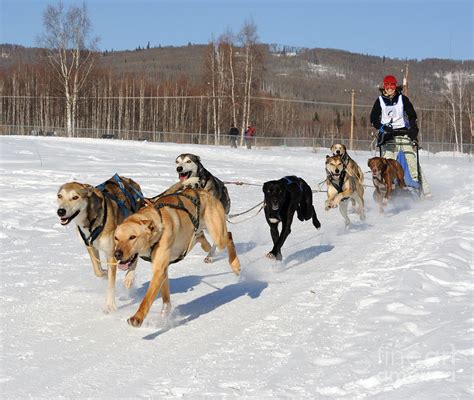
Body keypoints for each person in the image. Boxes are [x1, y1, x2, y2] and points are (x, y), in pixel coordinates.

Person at [370, 75, 431, 197]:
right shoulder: (380, 101)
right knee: (386, 162)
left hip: (403, 133)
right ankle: (389, 185)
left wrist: (413, 128)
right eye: (387, 86)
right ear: (384, 87)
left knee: (412, 160)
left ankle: (424, 189)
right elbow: (373, 119)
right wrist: (383, 128)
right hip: (388, 135)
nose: (389, 88)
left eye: (392, 85)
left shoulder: (402, 99)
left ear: (395, 86)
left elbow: (412, 115)